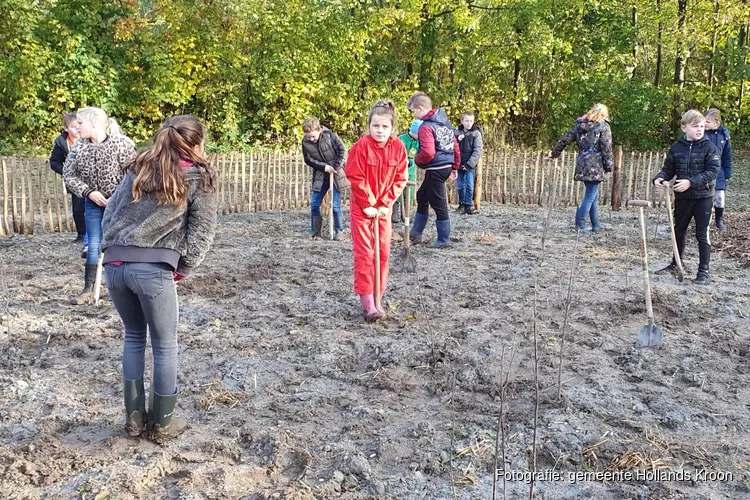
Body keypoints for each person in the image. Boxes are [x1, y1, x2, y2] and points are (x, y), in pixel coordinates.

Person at [100, 115, 218, 441]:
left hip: (115, 266)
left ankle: (134, 418)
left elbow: (110, 213)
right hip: (152, 270)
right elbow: (202, 234)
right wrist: (184, 268)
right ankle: (163, 424)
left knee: (134, 337)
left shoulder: (138, 166)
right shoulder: (199, 177)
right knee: (165, 345)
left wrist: (111, 252)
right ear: (196, 143)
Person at [63, 107, 136, 304]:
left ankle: (127, 286)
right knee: (94, 243)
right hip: (93, 202)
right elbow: (69, 175)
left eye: (80, 123)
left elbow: (134, 174)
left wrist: (118, 196)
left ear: (93, 123)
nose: (76, 127)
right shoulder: (79, 147)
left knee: (121, 241)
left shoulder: (122, 145)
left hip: (121, 203)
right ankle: (89, 288)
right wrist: (89, 192)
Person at [345, 100, 408, 321]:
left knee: (382, 252)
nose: (379, 131)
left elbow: (400, 178)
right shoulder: (360, 147)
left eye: (384, 127)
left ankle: (379, 299)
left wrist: (384, 204)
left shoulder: (398, 147)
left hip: (383, 210)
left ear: (392, 128)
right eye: (375, 126)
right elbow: (356, 176)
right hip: (363, 211)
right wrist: (369, 203)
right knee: (366, 254)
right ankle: (369, 304)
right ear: (369, 126)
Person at [653, 110, 720, 284]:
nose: (700, 130)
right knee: (678, 230)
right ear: (684, 127)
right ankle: (676, 263)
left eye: (702, 127)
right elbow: (669, 168)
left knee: (702, 233)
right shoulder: (676, 147)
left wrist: (691, 182)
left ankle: (703, 271)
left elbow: (712, 171)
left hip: (703, 197)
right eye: (695, 126)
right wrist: (660, 178)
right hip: (683, 197)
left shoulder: (709, 147)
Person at [547, 103, 614, 234]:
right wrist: (609, 165)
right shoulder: (603, 126)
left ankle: (596, 224)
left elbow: (564, 140)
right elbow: (606, 148)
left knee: (593, 194)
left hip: (582, 163)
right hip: (595, 165)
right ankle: (580, 225)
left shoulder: (580, 126)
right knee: (590, 195)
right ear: (604, 114)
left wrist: (554, 153)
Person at [406, 92, 460, 248]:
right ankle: (416, 233)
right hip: (445, 166)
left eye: (413, 111)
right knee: (422, 195)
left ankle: (444, 239)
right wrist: (455, 166)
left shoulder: (426, 127)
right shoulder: (445, 123)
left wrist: (417, 159)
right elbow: (455, 146)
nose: (414, 116)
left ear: (420, 108)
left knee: (439, 203)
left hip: (436, 168)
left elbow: (428, 152)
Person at [301, 117, 347, 240]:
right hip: (321, 176)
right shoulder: (305, 143)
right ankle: (316, 233)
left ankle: (339, 231)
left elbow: (342, 150)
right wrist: (324, 167)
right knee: (315, 204)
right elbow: (308, 159)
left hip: (336, 175)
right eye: (308, 137)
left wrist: (335, 166)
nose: (311, 139)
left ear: (319, 130)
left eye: (313, 137)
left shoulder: (330, 135)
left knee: (335, 205)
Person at [50, 113, 87, 244]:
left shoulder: (88, 138)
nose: (77, 129)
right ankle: (81, 234)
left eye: (79, 126)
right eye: (73, 127)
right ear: (66, 128)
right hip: (75, 181)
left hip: (92, 179)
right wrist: (67, 172)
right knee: (78, 209)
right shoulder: (61, 143)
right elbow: (54, 162)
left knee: (94, 207)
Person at [704, 108, 732, 230]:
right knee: (707, 197)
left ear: (717, 122)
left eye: (708, 122)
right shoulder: (702, 134)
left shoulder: (724, 136)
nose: (705, 124)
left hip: (719, 171)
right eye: (704, 121)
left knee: (719, 196)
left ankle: (719, 220)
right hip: (704, 170)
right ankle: (706, 220)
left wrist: (727, 173)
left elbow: (727, 155)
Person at [393, 118, 421, 229]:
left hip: (411, 169)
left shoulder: (419, 142)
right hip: (399, 169)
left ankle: (405, 215)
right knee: (396, 191)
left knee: (408, 193)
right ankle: (394, 214)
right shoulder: (401, 139)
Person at [455, 111, 484, 215]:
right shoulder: (457, 133)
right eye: (467, 120)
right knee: (459, 184)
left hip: (469, 164)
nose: (469, 123)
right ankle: (461, 204)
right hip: (458, 163)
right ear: (462, 121)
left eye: (471, 121)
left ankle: (468, 205)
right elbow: (453, 147)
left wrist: (469, 164)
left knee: (469, 184)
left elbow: (477, 151)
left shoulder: (476, 134)